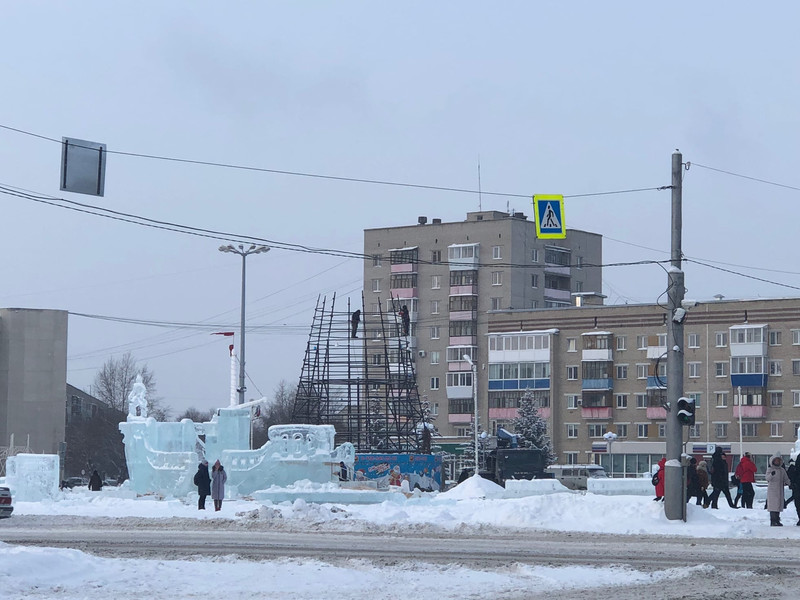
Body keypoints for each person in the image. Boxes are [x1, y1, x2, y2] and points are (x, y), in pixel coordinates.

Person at [766, 454, 790, 526]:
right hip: (772, 490)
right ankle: (773, 520)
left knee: (778, 505)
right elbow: (767, 478)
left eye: (778, 461)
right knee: (773, 506)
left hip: (780, 490)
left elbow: (786, 478)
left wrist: (790, 484)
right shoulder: (770, 469)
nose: (777, 462)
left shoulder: (782, 470)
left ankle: (777, 520)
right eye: (776, 461)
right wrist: (771, 475)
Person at [786, 458, 800, 526]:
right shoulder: (794, 468)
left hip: (796, 488)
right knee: (798, 504)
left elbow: (789, 476)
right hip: (796, 487)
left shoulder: (794, 468)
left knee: (798, 504)